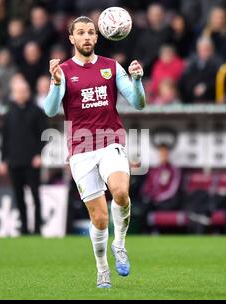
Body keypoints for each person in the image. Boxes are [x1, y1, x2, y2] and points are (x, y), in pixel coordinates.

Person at [44, 16, 146, 289]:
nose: (86, 37)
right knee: (99, 219)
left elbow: (138, 103)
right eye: (81, 33)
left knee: (121, 192)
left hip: (110, 142)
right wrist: (54, 83)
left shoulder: (111, 67)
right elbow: (51, 110)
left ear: (97, 37)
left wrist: (137, 81)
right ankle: (102, 270)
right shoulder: (64, 71)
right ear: (72, 39)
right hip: (81, 150)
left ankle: (120, 245)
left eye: (91, 32)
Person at [0, 75, 48, 236]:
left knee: (35, 195)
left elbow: (45, 135)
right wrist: (3, 160)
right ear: (13, 93)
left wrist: (39, 155)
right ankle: (24, 228)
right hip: (14, 162)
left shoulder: (37, 112)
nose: (21, 94)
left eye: (24, 91)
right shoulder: (9, 113)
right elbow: (4, 139)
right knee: (19, 197)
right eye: (18, 91)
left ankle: (38, 228)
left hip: (32, 161)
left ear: (28, 92)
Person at [139, 144, 183, 233]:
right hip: (154, 201)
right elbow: (147, 186)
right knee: (142, 207)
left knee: (152, 206)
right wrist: (147, 195)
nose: (163, 155)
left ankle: (153, 231)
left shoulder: (173, 169)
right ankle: (144, 233)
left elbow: (172, 190)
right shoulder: (154, 170)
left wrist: (158, 198)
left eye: (165, 153)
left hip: (167, 201)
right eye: (161, 153)